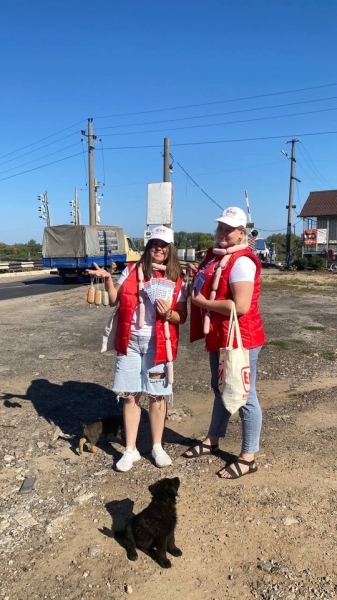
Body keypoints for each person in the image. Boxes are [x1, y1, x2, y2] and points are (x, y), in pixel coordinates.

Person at [86, 226, 187, 472]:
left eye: (163, 245)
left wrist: (169, 313)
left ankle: (156, 446)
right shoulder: (131, 270)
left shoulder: (176, 278)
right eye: (154, 244)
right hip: (130, 343)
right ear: (148, 246)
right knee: (130, 396)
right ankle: (131, 449)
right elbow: (113, 300)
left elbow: (181, 317)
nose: (158, 248)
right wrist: (108, 278)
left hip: (158, 345)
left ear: (170, 249)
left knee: (157, 395)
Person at [183, 207, 266, 479]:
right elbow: (215, 282)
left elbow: (240, 306)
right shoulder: (217, 257)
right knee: (219, 386)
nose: (222, 233)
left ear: (241, 233)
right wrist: (201, 275)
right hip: (221, 335)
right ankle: (213, 438)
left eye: (229, 229)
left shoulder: (242, 261)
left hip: (241, 337)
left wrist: (202, 303)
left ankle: (248, 456)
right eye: (220, 227)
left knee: (244, 394)